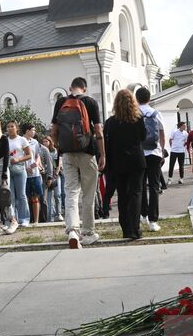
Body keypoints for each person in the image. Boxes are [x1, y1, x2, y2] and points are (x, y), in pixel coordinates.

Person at [51, 77, 105, 249]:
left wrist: (60, 147)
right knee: (88, 194)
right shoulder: (90, 102)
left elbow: (54, 130)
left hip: (67, 154)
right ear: (85, 88)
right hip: (87, 152)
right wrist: (102, 154)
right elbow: (98, 131)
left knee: (71, 192)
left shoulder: (61, 102)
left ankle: (72, 230)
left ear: (70, 88)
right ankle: (88, 232)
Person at [103, 90, 146, 239]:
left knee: (122, 196)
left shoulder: (110, 122)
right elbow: (143, 137)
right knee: (136, 194)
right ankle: (135, 227)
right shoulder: (138, 119)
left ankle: (126, 229)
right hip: (136, 161)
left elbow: (107, 144)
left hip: (118, 163)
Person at [135, 88, 165, 233]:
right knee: (154, 186)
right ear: (149, 98)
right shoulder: (156, 113)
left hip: (139, 153)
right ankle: (153, 221)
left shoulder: (134, 114)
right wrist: (163, 151)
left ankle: (143, 215)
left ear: (136, 98)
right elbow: (162, 133)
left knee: (140, 186)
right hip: (154, 152)